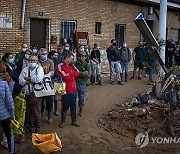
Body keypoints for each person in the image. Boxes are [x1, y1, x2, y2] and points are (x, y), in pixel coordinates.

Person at [19, 55, 44, 133]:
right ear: (28, 61)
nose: (32, 62)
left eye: (34, 61)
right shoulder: (25, 69)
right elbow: (20, 80)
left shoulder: (39, 69)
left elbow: (39, 78)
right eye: (31, 61)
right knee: (27, 112)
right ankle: (28, 128)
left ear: (36, 62)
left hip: (36, 94)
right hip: (26, 93)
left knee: (36, 112)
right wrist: (27, 81)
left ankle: (38, 128)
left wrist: (28, 78)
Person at [56, 51, 80, 128]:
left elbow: (78, 73)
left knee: (73, 106)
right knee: (64, 107)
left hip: (73, 89)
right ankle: (63, 122)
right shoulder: (60, 66)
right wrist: (72, 74)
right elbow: (65, 76)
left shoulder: (72, 65)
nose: (72, 60)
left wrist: (70, 74)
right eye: (71, 58)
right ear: (67, 58)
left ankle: (74, 120)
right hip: (64, 90)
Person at [0, 61, 15, 154]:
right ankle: (11, 151)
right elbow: (9, 102)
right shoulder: (4, 84)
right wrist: (12, 115)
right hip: (4, 114)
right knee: (9, 134)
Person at [39, 48, 54, 124]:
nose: (44, 55)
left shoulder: (50, 61)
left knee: (49, 101)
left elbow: (52, 72)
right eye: (42, 54)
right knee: (40, 101)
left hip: (48, 83)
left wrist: (47, 75)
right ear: (40, 54)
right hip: (39, 84)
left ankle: (49, 117)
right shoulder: (37, 62)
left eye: (45, 54)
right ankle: (40, 116)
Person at [75, 51, 90, 116]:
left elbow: (87, 73)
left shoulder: (87, 64)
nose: (81, 58)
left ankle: (81, 110)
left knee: (81, 97)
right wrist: (82, 73)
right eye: (80, 56)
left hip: (82, 83)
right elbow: (72, 71)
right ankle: (73, 110)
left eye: (82, 56)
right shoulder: (75, 63)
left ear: (85, 57)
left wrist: (78, 73)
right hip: (74, 83)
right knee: (73, 97)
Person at [50, 50, 62, 116]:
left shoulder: (58, 63)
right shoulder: (49, 62)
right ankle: (50, 110)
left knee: (56, 97)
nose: (56, 57)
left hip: (57, 80)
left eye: (57, 55)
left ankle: (56, 110)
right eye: (55, 55)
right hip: (50, 81)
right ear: (51, 56)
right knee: (50, 97)